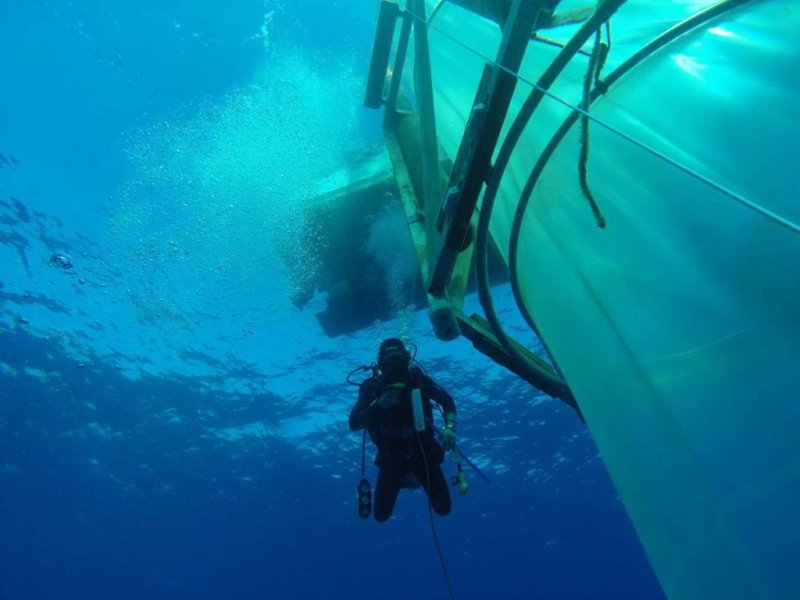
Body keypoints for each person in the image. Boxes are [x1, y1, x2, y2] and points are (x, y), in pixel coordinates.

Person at [349, 338, 458, 522]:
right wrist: (379, 406)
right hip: (391, 457)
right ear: (381, 364)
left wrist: (450, 428)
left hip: (425, 453)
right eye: (390, 363)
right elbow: (354, 423)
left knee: (444, 509)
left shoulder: (418, 379)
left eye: (398, 361)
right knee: (381, 516)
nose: (394, 367)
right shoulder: (372, 386)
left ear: (407, 360)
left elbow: (448, 402)